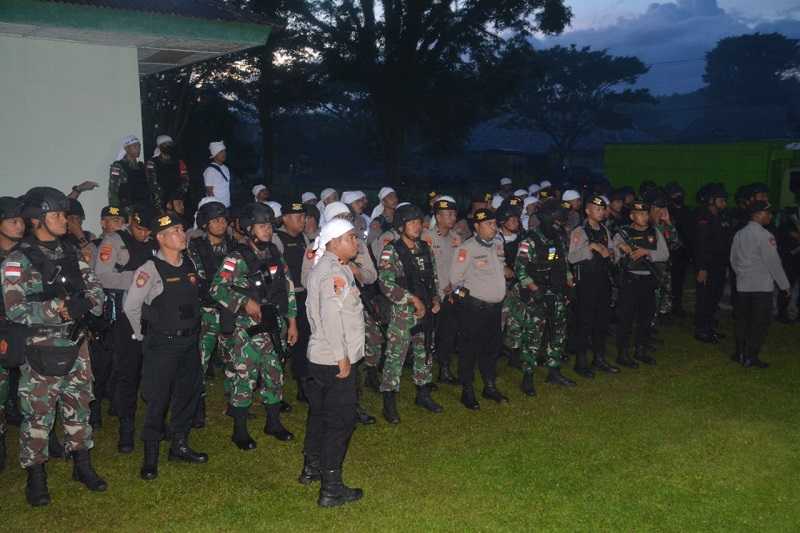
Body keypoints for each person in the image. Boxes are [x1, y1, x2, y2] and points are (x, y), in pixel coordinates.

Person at [2, 187, 107, 506]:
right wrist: (57, 310)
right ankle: (36, 477)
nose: (65, 220)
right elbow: (13, 309)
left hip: (76, 346)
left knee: (79, 406)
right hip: (40, 350)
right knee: (38, 415)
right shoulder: (18, 261)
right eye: (58, 215)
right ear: (37, 220)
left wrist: (85, 306)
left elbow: (97, 297)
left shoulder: (72, 253)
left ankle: (82, 466)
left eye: (65, 214)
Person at [123, 212, 208, 480]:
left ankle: (179, 446)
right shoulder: (150, 269)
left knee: (187, 395)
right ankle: (150, 457)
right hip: (163, 344)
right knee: (157, 400)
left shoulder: (189, 263)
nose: (182, 235)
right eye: (175, 231)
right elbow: (131, 306)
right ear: (160, 238)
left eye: (182, 230)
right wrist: (141, 334)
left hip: (189, 342)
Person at [209, 203, 299, 449]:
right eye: (262, 225)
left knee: (274, 376)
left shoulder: (274, 253)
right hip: (245, 330)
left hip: (273, 326)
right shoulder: (235, 258)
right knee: (244, 378)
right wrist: (243, 301)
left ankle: (273, 423)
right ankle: (239, 431)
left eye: (269, 225)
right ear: (249, 229)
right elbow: (216, 288)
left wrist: (292, 322)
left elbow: (287, 289)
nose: (268, 230)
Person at [301, 219, 364, 507]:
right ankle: (331, 488)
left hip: (321, 357)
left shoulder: (329, 267)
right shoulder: (331, 272)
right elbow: (331, 316)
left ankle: (312, 467)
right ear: (334, 241)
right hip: (333, 358)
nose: (356, 242)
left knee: (321, 415)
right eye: (351, 237)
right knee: (340, 423)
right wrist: (343, 357)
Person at [95, 205, 157, 453]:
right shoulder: (114, 242)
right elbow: (102, 276)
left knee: (154, 370)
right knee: (127, 371)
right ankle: (126, 427)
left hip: (152, 315)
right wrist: (138, 278)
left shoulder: (156, 242)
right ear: (131, 223)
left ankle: (154, 424)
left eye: (148, 230)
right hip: (125, 316)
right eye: (140, 228)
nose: (144, 234)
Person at [377, 204, 443, 423]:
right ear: (400, 225)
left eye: (419, 222)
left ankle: (423, 394)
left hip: (425, 310)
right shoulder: (391, 250)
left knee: (424, 352)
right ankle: (389, 402)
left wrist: (435, 298)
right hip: (402, 313)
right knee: (396, 357)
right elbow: (385, 284)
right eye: (412, 222)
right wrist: (411, 299)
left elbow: (432, 277)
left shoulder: (425, 248)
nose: (418, 226)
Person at [514, 199, 576, 393]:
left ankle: (554, 371)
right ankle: (528, 376)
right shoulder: (529, 240)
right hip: (536, 295)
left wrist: (569, 284)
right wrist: (534, 289)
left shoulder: (558, 237)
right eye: (557, 220)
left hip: (556, 292)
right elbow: (520, 269)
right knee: (533, 336)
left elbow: (564, 264)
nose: (560, 223)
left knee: (558, 333)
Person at [450, 208, 507, 409]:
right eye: (488, 224)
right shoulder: (467, 249)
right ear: (477, 226)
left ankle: (489, 385)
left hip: (495, 308)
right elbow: (455, 282)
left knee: (491, 349)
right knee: (469, 351)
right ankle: (468, 390)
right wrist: (468, 302)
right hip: (475, 309)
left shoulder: (497, 245)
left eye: (494, 224)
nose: (493, 228)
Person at [187, 200, 237, 428]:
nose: (221, 223)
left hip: (229, 310)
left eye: (223, 219)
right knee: (200, 361)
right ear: (205, 223)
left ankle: (235, 403)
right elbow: (199, 279)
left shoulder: (234, 246)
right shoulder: (195, 246)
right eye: (216, 220)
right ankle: (197, 408)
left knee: (233, 358)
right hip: (206, 311)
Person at [730, 201, 790, 368]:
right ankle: (751, 356)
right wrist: (784, 285)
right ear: (757, 214)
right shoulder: (765, 235)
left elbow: (733, 259)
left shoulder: (739, 234)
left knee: (742, 320)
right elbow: (773, 263)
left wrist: (742, 274)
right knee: (759, 322)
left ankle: (740, 353)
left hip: (742, 285)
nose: (770, 216)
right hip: (761, 287)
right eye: (767, 213)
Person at [612, 200, 669, 368]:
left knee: (646, 317)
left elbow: (664, 254)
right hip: (629, 280)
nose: (644, 217)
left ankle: (641, 350)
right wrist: (620, 249)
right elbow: (612, 255)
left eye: (645, 213)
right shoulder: (622, 233)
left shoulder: (654, 232)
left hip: (648, 280)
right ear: (631, 216)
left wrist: (647, 252)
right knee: (626, 318)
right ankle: (623, 353)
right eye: (640, 214)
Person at [568, 195, 619, 377]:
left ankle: (599, 358)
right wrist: (590, 248)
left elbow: (613, 251)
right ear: (588, 211)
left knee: (602, 321)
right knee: (585, 322)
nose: (601, 212)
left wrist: (612, 252)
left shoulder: (604, 229)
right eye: (597, 209)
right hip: (586, 283)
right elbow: (572, 257)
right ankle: (580, 363)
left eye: (603, 209)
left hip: (603, 280)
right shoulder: (579, 232)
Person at [274, 202, 312, 402]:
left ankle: (302, 383)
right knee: (281, 341)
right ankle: (274, 388)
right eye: (297, 217)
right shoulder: (277, 239)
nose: (302, 221)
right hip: (285, 297)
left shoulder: (304, 239)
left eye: (303, 216)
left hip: (304, 295)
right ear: (285, 218)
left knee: (304, 339)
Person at [422, 196, 461, 384]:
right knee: (429, 334)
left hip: (452, 294)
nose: (452, 218)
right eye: (448, 214)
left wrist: (455, 287)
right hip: (432, 295)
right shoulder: (426, 237)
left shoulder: (456, 239)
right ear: (437, 216)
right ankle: (424, 373)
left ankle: (444, 368)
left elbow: (460, 267)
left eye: (454, 214)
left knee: (449, 332)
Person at [0, 196, 25, 472]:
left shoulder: (28, 255)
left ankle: (45, 439)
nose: (19, 226)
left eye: (21, 221)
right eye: (13, 221)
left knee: (35, 389)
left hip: (27, 328)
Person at [693, 184, 730, 343]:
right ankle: (702, 330)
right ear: (711, 200)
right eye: (721, 200)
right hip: (707, 265)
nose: (724, 203)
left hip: (719, 264)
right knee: (705, 298)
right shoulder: (703, 217)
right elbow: (701, 245)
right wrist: (702, 268)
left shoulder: (719, 216)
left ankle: (709, 327)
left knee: (714, 296)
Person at [109, 134, 158, 212]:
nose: (138, 149)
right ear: (126, 148)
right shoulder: (118, 166)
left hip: (146, 207)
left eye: (139, 146)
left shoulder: (142, 166)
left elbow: (151, 188)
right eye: (134, 146)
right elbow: (113, 191)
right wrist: (115, 212)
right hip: (129, 210)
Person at [145, 135, 190, 210]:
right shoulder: (152, 162)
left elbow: (185, 180)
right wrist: (166, 198)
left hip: (177, 201)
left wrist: (178, 196)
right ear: (160, 147)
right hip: (160, 201)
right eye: (166, 144)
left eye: (170, 144)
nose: (168, 146)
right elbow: (152, 182)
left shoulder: (179, 162)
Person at [204, 141, 231, 207]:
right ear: (215, 154)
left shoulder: (226, 168)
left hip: (227, 205)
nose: (224, 154)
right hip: (218, 207)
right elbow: (209, 192)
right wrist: (216, 207)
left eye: (224, 151)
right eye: (221, 152)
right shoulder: (210, 170)